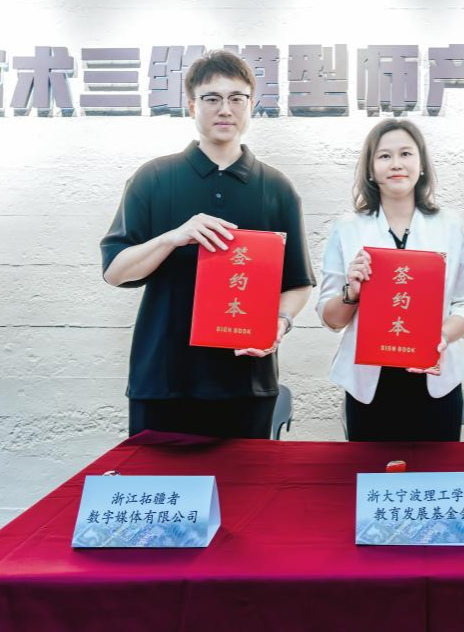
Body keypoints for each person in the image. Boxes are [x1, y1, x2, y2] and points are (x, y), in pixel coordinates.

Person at [101, 50, 314, 438]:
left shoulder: (276, 188)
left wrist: (279, 322)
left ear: (252, 104)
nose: (225, 109)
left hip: (247, 383)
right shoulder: (153, 178)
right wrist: (172, 237)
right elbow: (115, 272)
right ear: (191, 106)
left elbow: (298, 284)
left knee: (245, 481)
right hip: (164, 381)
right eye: (212, 98)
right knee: (155, 479)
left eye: (237, 98)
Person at [317, 119, 464, 441]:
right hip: (370, 385)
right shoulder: (348, 228)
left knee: (437, 469)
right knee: (370, 469)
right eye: (384, 156)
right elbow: (331, 318)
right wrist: (352, 291)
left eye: (406, 154)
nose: (396, 164)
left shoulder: (451, 225)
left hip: (436, 378)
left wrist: (442, 336)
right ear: (370, 169)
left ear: (421, 164)